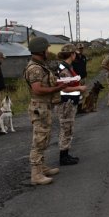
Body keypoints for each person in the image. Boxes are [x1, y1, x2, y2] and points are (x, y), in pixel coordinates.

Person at [23, 37, 84, 185]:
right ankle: (36, 174)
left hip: (45, 106)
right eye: (46, 49)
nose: (48, 51)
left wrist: (61, 83)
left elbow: (47, 82)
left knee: (45, 138)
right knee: (39, 140)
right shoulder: (35, 68)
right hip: (39, 106)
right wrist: (59, 88)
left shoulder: (40, 65)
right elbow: (37, 89)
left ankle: (42, 167)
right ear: (41, 50)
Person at [56, 44, 85, 165]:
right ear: (71, 54)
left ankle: (66, 154)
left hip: (70, 102)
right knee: (66, 128)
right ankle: (63, 156)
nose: (76, 55)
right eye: (74, 53)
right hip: (66, 103)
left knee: (68, 128)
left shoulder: (67, 67)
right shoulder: (64, 69)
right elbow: (63, 87)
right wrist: (79, 87)